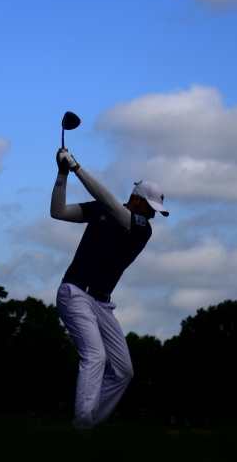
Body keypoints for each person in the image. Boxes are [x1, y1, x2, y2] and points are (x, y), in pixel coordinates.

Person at [50, 146, 169, 430]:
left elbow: (111, 203)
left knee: (123, 371)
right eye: (150, 209)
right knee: (95, 356)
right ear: (137, 200)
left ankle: (91, 423)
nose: (153, 216)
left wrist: (77, 167)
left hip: (102, 303)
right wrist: (62, 174)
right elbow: (58, 212)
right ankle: (82, 425)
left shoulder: (142, 228)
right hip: (75, 293)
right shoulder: (106, 210)